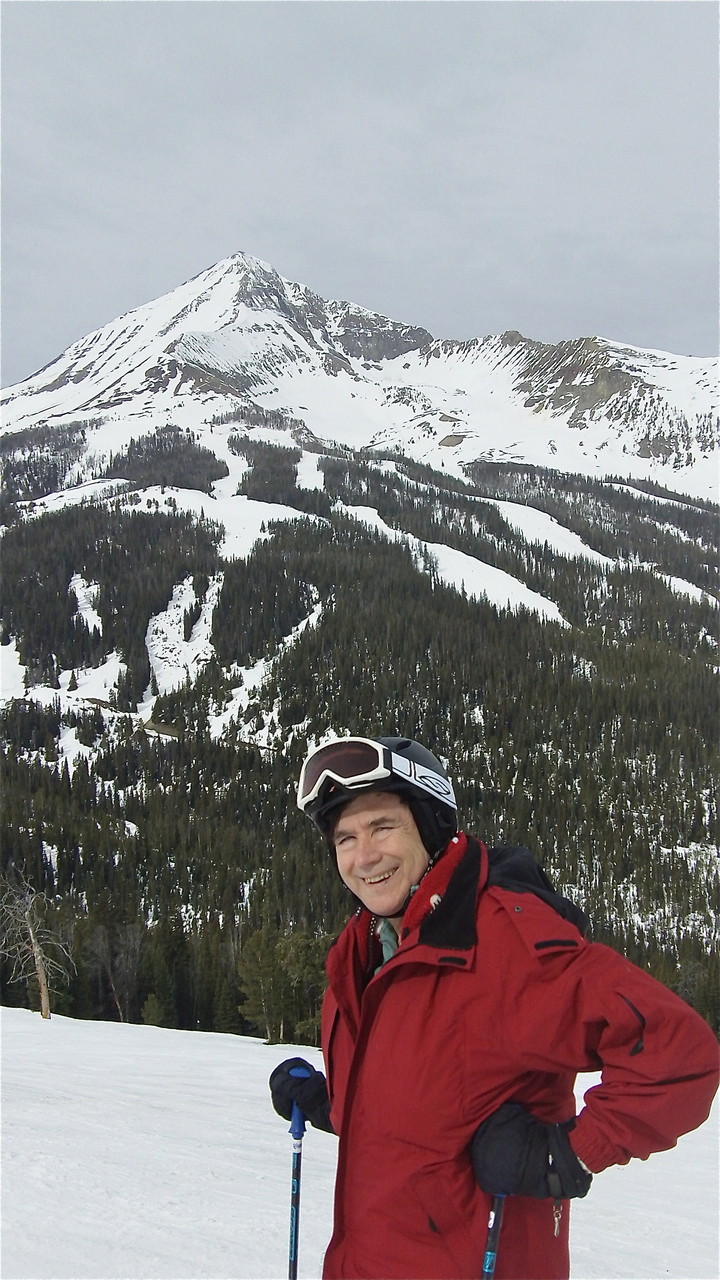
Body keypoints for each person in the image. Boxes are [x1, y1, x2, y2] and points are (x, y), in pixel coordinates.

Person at [269, 735, 719, 1280]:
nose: (364, 857)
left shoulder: (502, 943)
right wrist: (332, 1103)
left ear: (431, 827)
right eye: (345, 838)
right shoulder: (362, 952)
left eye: (382, 827)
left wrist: (567, 1154)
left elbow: (682, 1056)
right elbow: (423, 1109)